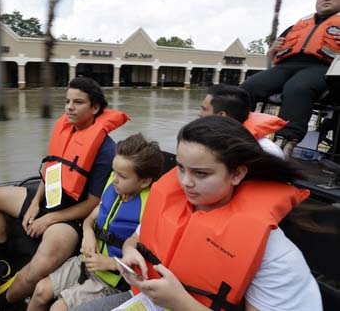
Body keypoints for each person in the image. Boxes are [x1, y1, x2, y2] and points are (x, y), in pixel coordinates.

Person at [70, 116, 322, 311]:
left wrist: (181, 303)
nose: (185, 182)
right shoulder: (171, 205)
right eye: (181, 168)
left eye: (201, 174)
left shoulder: (275, 255)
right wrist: (129, 252)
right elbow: (135, 238)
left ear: (237, 174)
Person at [0, 76, 129, 311]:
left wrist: (49, 219)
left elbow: (93, 203)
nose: (69, 107)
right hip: (49, 200)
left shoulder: (105, 150)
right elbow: (52, 170)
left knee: (40, 265)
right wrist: (35, 204)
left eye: (78, 102)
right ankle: (3, 260)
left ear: (95, 107)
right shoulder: (66, 131)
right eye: (67, 101)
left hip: (73, 218)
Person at [27, 133, 165, 311]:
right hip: (87, 261)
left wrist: (110, 263)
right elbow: (91, 217)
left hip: (112, 280)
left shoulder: (151, 209)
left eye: (122, 176)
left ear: (144, 181)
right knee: (40, 290)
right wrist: (88, 233)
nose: (114, 178)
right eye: (114, 171)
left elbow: (149, 261)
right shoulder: (113, 185)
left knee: (58, 308)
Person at [241, 0, 340, 157]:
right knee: (249, 86)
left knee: (297, 87)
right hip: (286, 67)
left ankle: (285, 143)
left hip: (324, 68)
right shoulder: (299, 25)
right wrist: (272, 51)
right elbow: (274, 58)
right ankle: (234, 131)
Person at [199, 84, 285, 158]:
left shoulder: (265, 151)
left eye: (204, 109)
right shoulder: (201, 140)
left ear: (221, 115)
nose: (199, 114)